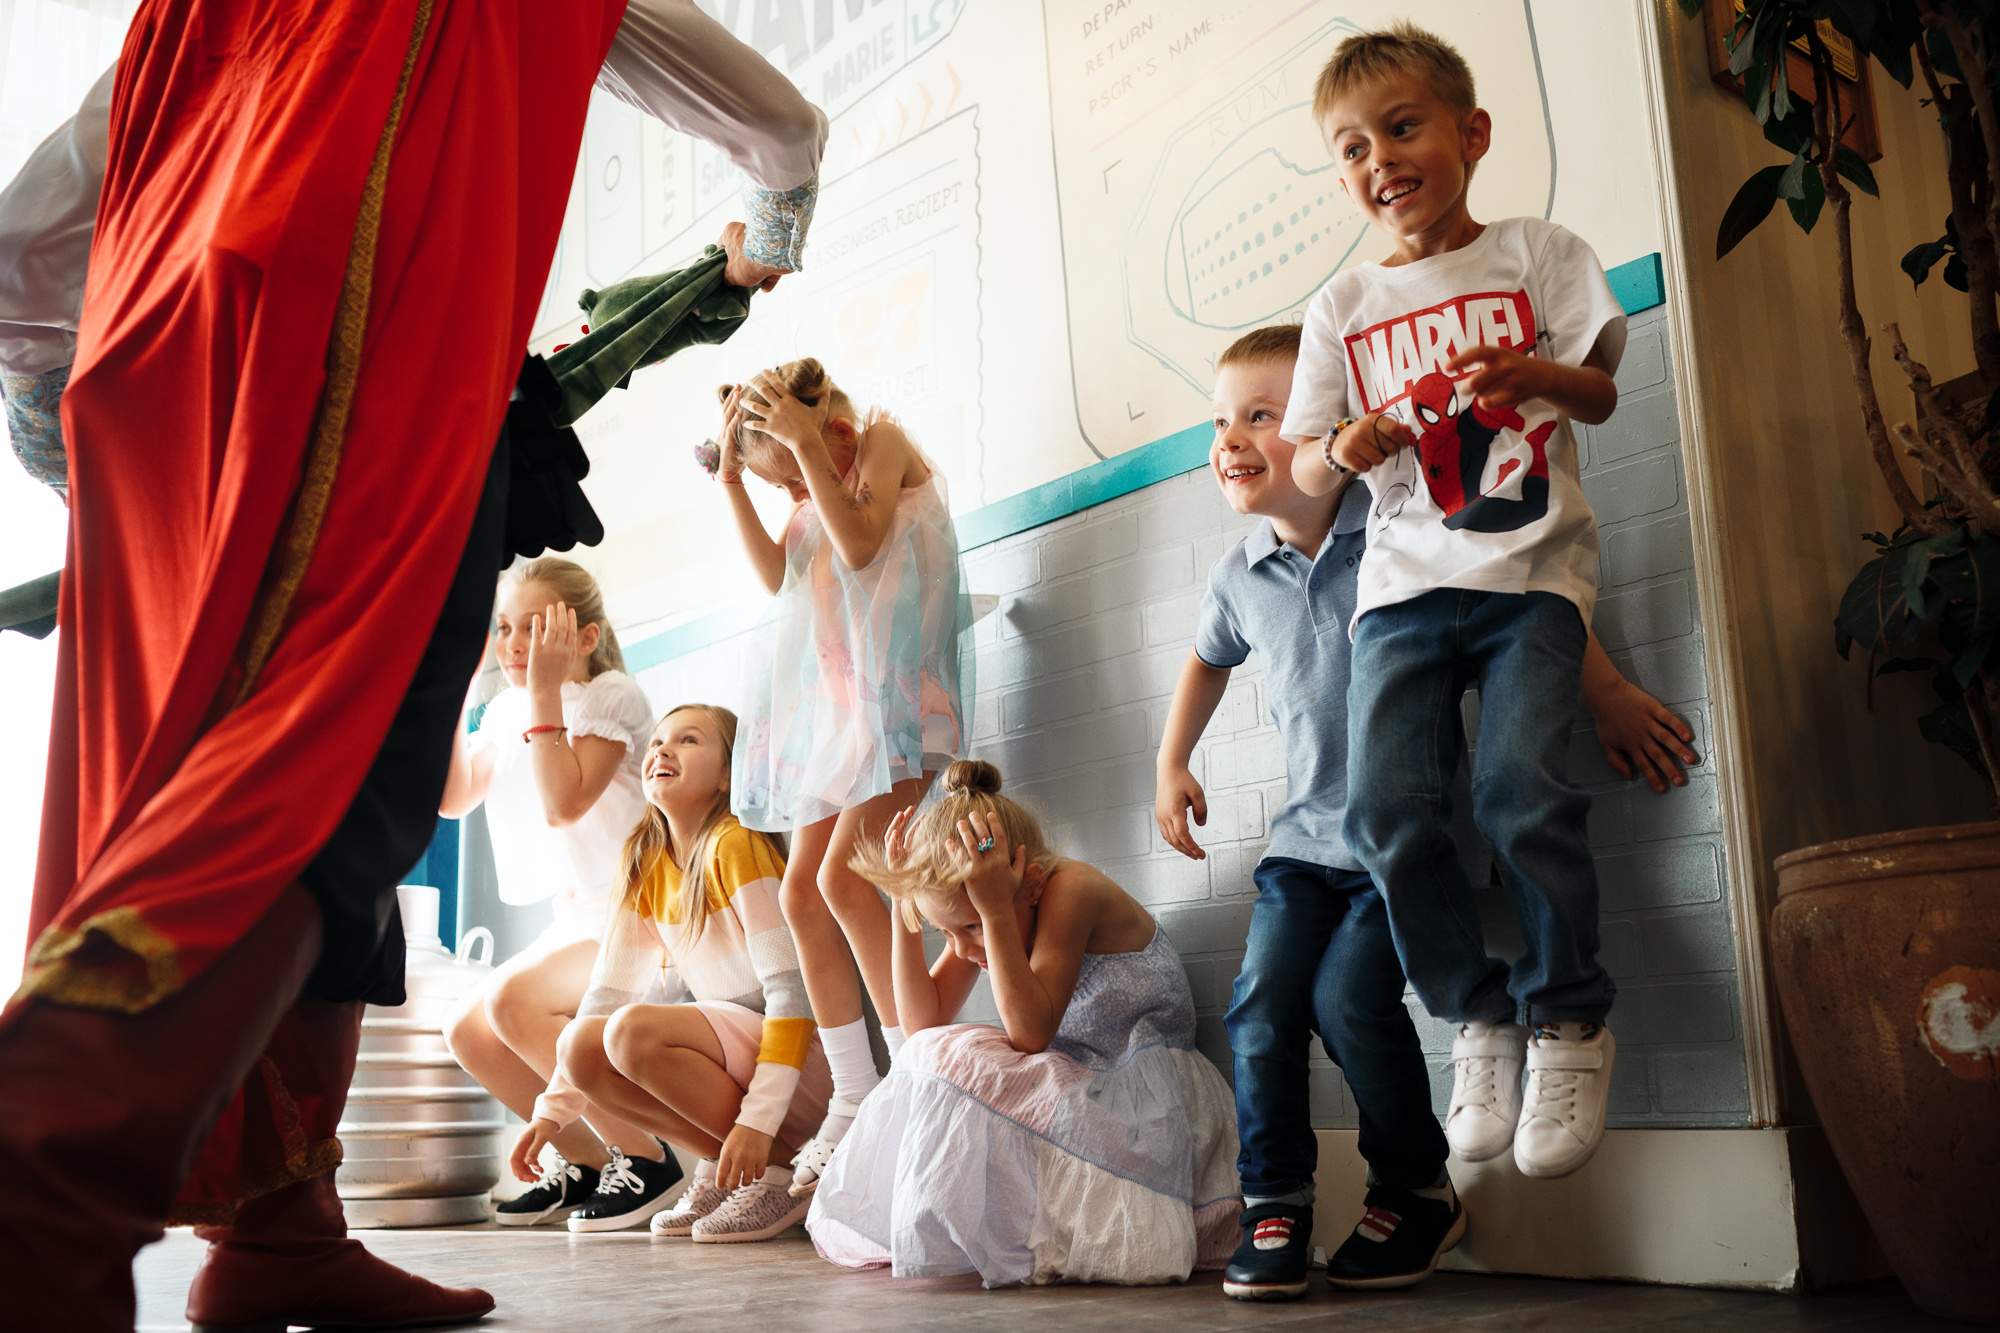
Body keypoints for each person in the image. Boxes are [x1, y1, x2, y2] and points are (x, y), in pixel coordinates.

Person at [0, 3, 827, 1328]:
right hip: (379, 408)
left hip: (193, 438)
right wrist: (775, 217)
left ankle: (281, 1224)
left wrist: (103, 422)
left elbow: (17, 260)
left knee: (316, 808)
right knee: (317, 801)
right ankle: (51, 1159)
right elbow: (777, 124)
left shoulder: (193, 19)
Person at [1159, 325, 1698, 1299]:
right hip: (1299, 849)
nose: (1228, 438)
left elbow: (1518, 590)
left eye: (1259, 415)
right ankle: (1272, 1198)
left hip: (1401, 845)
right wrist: (1171, 761)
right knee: (1259, 1008)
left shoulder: (1400, 529)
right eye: (1218, 420)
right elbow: (1203, 657)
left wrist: (1605, 691)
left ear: (1331, 428)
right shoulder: (1239, 572)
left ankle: (1414, 1190)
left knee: (1345, 1000)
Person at [1286, 22, 1634, 1184]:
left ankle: (1567, 1018)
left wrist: (1532, 372)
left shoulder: (1537, 254)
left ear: (1468, 134)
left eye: (1401, 127)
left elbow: (1598, 390)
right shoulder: (1338, 304)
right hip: (1398, 594)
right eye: (1351, 147)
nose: (1378, 158)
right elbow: (1302, 466)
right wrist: (1348, 436)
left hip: (1531, 571)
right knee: (1387, 812)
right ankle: (1474, 1013)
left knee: (1521, 790)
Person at [805, 760, 1240, 1287]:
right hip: (1087, 1081)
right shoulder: (988, 913)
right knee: (934, 1052)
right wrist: (903, 908)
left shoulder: (1069, 890)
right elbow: (921, 1027)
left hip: (1145, 1097)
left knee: (959, 1055)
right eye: (950, 934)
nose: (965, 948)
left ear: (1029, 882)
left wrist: (993, 916)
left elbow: (1030, 1034)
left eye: (970, 928)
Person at [710, 357, 972, 1195]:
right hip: (846, 722)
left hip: (903, 707)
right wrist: (735, 487)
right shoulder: (805, 503)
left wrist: (802, 452)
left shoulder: (884, 445)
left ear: (830, 434)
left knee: (846, 878)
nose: (796, 493)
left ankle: (911, 1072)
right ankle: (856, 1091)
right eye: (780, 484)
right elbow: (775, 574)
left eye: (791, 473)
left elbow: (862, 546)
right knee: (801, 894)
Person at [511, 703, 832, 1243]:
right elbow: (604, 997)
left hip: (797, 1067)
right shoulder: (646, 861)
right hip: (742, 1066)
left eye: (688, 740)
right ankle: (733, 1168)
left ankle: (775, 1172)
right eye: (658, 741)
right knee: (581, 1044)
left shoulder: (737, 845)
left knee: (632, 1031)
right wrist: (552, 1113)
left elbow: (792, 995)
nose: (662, 749)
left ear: (729, 776)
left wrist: (758, 1120)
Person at [437, 557, 683, 1230]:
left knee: (512, 1002)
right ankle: (587, 1162)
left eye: (535, 628)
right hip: (576, 920)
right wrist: (459, 690)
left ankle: (647, 1157)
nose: (515, 645)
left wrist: (543, 696)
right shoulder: (510, 707)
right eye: (505, 628)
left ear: (583, 636)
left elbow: (563, 802)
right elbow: (454, 799)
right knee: (466, 1027)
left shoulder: (612, 697)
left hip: (640, 923)